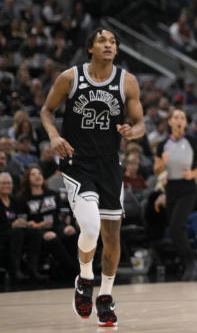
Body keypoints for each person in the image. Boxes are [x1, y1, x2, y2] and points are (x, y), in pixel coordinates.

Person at [40, 28, 144, 327]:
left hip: (110, 165)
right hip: (77, 162)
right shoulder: (71, 77)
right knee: (90, 226)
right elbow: (47, 111)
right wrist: (54, 135)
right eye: (102, 41)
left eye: (112, 42)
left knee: (112, 236)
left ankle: (105, 297)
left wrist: (131, 131)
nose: (109, 45)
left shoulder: (127, 81)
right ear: (90, 48)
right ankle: (85, 278)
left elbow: (140, 124)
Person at [154, 109, 197, 281]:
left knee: (176, 227)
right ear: (170, 122)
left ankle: (191, 264)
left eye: (182, 118)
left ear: (185, 123)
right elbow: (156, 171)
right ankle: (191, 261)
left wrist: (193, 174)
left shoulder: (193, 141)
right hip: (171, 188)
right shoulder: (162, 145)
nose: (179, 120)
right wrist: (162, 163)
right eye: (176, 117)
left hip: (188, 188)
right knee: (175, 230)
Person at [20, 165, 76, 279]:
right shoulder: (23, 198)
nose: (37, 176)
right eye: (33, 174)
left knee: (71, 231)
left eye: (39, 173)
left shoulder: (52, 194)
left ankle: (72, 267)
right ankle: (73, 269)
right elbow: (24, 221)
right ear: (27, 179)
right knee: (52, 237)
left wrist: (66, 225)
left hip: (56, 226)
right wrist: (37, 225)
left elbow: (62, 212)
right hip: (37, 230)